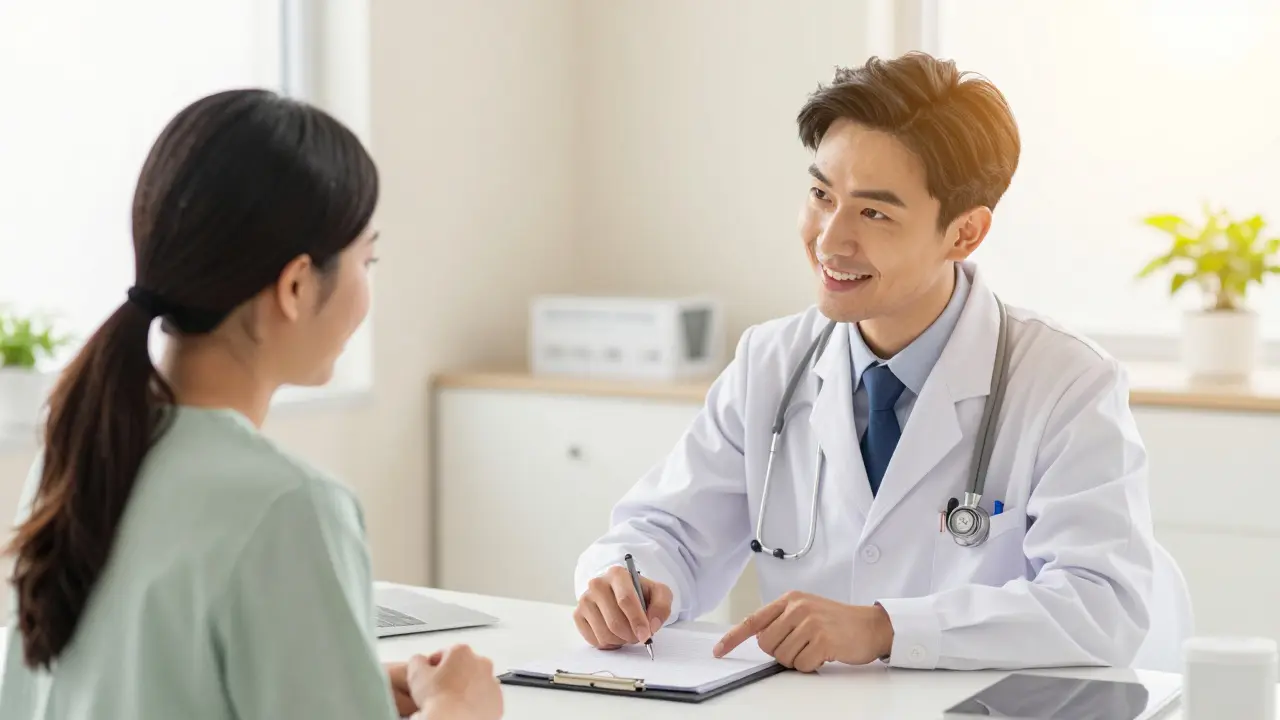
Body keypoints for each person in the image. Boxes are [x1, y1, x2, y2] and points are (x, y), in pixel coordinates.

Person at [573, 52, 1180, 672]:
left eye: (874, 213)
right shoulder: (770, 362)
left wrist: (889, 629)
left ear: (965, 233)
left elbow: (1102, 604)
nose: (829, 240)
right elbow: (667, 530)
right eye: (820, 194)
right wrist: (629, 580)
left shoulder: (1066, 383)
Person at [0, 89, 502, 720]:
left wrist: (339, 677)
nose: (368, 290)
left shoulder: (77, 447)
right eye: (365, 260)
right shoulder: (289, 505)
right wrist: (461, 709)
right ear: (294, 286)